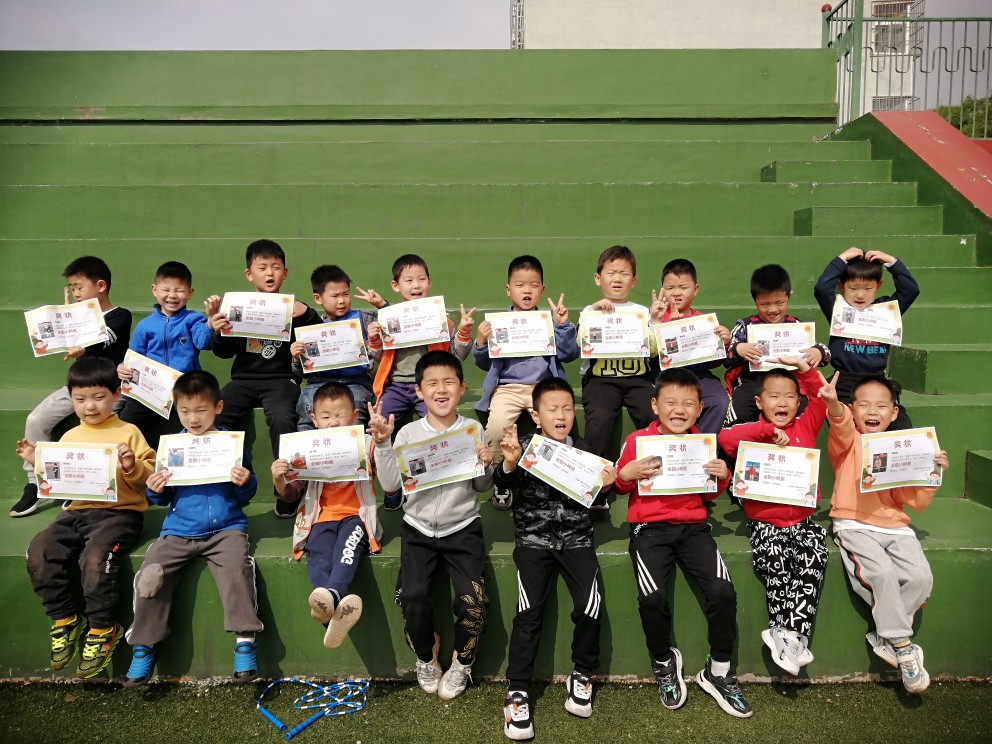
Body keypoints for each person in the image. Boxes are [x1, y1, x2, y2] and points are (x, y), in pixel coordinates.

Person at [613, 368, 752, 718]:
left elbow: (709, 493)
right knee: (653, 598)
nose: (679, 410)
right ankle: (663, 661)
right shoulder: (638, 441)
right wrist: (625, 476)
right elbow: (619, 484)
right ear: (655, 405)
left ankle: (718, 670)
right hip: (649, 530)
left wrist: (723, 476)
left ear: (700, 408)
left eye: (689, 404)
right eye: (671, 402)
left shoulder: (701, 444)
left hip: (693, 528)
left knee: (723, 592)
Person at [494, 377, 617, 740]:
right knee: (529, 612)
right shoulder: (524, 447)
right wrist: (509, 465)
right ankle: (517, 690)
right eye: (552, 409)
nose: (561, 415)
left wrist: (605, 486)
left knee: (590, 606)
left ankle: (582, 673)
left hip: (577, 540)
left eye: (567, 408)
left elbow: (596, 501)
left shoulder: (586, 451)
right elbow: (503, 492)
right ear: (536, 415)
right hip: (533, 541)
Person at [16, 357, 154, 678]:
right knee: (40, 549)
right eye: (80, 399)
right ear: (71, 399)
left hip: (119, 513)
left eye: (99, 397)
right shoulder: (69, 437)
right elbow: (60, 479)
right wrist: (38, 461)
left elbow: (149, 475)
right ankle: (65, 618)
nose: (90, 406)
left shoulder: (129, 432)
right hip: (76, 511)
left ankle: (103, 628)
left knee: (94, 559)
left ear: (116, 395)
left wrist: (132, 465)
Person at [123, 370, 262, 686]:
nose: (193, 418)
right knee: (150, 575)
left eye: (201, 410)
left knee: (237, 570)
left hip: (226, 530)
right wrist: (155, 489)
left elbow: (245, 496)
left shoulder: (231, 444)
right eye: (185, 411)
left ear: (218, 407)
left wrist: (245, 482)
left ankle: (245, 641)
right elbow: (162, 498)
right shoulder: (172, 448)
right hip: (178, 531)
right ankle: (144, 646)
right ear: (176, 409)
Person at [819, 372, 948, 693]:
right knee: (881, 574)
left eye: (881, 406)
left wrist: (931, 471)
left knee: (920, 578)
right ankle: (903, 647)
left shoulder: (900, 447)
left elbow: (908, 498)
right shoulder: (848, 440)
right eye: (863, 405)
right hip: (853, 523)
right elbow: (840, 422)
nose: (872, 411)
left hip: (895, 525)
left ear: (894, 413)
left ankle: (885, 636)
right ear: (853, 409)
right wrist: (833, 403)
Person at [391, 351, 494, 701]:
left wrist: (486, 464)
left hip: (462, 526)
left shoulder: (473, 429)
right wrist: (382, 445)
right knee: (412, 597)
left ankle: (462, 662)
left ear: (462, 388)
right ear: (419, 391)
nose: (441, 389)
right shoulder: (407, 433)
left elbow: (481, 487)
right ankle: (426, 655)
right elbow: (391, 485)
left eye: (449, 382)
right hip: (417, 528)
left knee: (473, 601)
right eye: (432, 383)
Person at [718, 357, 829, 675]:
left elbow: (821, 399)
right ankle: (785, 632)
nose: (782, 403)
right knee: (776, 563)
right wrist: (766, 431)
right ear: (759, 402)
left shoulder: (805, 426)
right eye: (774, 396)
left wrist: (805, 370)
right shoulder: (750, 432)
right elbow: (724, 440)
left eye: (790, 396)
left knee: (813, 562)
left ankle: (790, 634)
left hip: (802, 520)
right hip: (764, 522)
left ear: (798, 401)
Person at [271, 383, 401, 650]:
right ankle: (332, 609)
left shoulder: (366, 443)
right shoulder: (306, 448)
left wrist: (382, 443)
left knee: (346, 551)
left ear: (354, 416)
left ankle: (333, 595)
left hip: (356, 517)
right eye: (326, 416)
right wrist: (279, 480)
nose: (333, 422)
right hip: (319, 519)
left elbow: (390, 484)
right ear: (314, 420)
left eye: (340, 415)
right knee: (318, 558)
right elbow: (292, 493)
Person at [204, 239, 321, 518]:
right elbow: (223, 352)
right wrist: (217, 331)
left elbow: (317, 339)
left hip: (281, 380)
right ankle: (216, 486)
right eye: (262, 267)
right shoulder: (238, 308)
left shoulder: (295, 309)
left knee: (282, 416)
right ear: (249, 274)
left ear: (285, 273)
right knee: (214, 414)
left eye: (276, 267)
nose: (270, 273)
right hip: (243, 380)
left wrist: (308, 314)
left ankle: (287, 488)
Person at [12, 257, 132, 518]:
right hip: (76, 390)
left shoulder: (121, 315)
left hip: (110, 392)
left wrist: (82, 343)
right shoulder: (76, 318)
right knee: (36, 419)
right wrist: (66, 320)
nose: (76, 293)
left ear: (101, 286)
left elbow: (105, 338)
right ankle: (36, 483)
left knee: (96, 429)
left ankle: (78, 487)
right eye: (72, 288)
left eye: (79, 287)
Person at [473, 255, 579, 501]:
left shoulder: (549, 321)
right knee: (497, 427)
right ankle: (501, 476)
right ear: (508, 289)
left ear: (542, 289)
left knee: (557, 422)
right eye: (520, 285)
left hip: (542, 389)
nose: (527, 290)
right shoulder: (499, 323)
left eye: (534, 285)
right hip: (507, 389)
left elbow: (569, 354)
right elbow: (484, 363)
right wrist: (480, 342)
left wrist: (562, 326)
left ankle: (559, 475)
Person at [580, 246, 659, 507]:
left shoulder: (642, 312)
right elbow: (581, 343)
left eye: (624, 273)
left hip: (638, 379)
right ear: (598, 278)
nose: (617, 278)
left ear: (633, 280)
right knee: (600, 419)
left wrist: (655, 321)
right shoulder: (590, 310)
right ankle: (597, 487)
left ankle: (660, 479)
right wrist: (593, 314)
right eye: (611, 272)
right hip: (600, 379)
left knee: (653, 416)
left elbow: (654, 350)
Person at [363, 254, 475, 431]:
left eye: (421, 279)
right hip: (396, 386)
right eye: (409, 280)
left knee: (441, 423)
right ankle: (379, 450)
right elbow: (379, 357)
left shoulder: (442, 321)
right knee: (378, 422)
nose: (416, 285)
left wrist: (463, 331)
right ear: (396, 285)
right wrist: (374, 339)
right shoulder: (387, 322)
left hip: (429, 384)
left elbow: (457, 355)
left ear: (429, 282)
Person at [813, 247, 920, 430]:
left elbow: (910, 290)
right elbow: (821, 288)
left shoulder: (886, 310)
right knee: (846, 424)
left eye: (868, 288)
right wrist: (842, 259)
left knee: (901, 424)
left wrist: (891, 261)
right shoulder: (838, 310)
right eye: (853, 288)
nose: (860, 295)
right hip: (845, 381)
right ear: (841, 286)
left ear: (878, 285)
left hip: (877, 379)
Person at [117, 261, 212, 449]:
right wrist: (122, 368)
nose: (172, 295)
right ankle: (125, 457)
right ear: (155, 290)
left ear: (190, 293)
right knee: (128, 420)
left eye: (179, 290)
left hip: (185, 387)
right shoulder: (145, 325)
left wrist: (209, 323)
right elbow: (134, 357)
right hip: (152, 389)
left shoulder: (194, 319)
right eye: (166, 290)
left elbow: (203, 342)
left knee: (200, 418)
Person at [723, 264, 830, 427]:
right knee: (739, 412)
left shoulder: (797, 326)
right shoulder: (744, 326)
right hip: (753, 383)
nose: (773, 309)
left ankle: (795, 443)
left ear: (789, 296)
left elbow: (825, 355)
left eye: (780, 302)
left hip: (789, 384)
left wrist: (818, 351)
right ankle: (738, 443)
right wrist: (738, 349)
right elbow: (727, 359)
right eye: (765, 304)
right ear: (755, 300)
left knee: (803, 411)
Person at [292, 264, 387, 432]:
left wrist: (382, 306)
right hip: (318, 384)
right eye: (335, 296)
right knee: (306, 405)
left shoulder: (364, 320)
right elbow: (299, 372)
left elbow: (395, 320)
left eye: (346, 294)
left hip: (355, 383)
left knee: (353, 406)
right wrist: (296, 358)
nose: (342, 300)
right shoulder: (311, 330)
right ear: (318, 298)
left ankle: (355, 447)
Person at [652, 259, 732, 433]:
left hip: (698, 375)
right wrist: (661, 326)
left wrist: (723, 343)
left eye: (683, 287)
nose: (676, 293)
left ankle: (702, 444)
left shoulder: (704, 322)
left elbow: (713, 363)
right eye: (670, 288)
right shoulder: (655, 317)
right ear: (662, 289)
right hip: (663, 374)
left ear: (695, 289)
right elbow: (648, 355)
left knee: (719, 401)